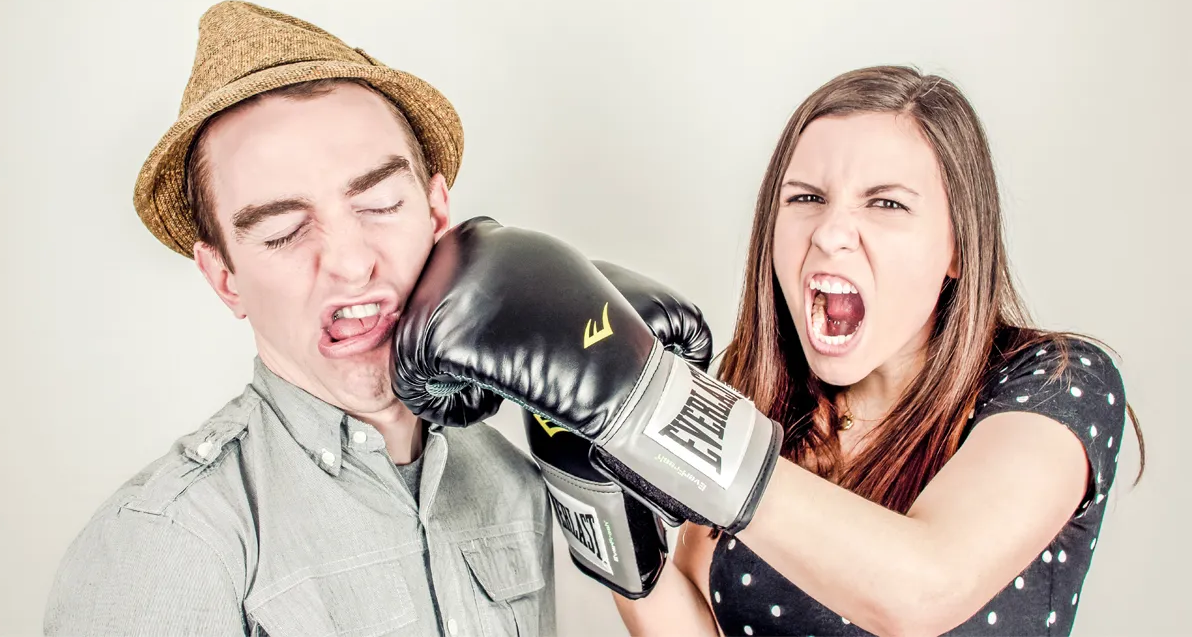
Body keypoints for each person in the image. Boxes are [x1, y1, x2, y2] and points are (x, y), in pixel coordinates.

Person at [387, 66, 1145, 637]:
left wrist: (648, 407)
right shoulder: (755, 403)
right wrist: (594, 479)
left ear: (957, 247)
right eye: (805, 197)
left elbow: (923, 586)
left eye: (886, 203)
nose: (831, 231)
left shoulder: (1053, 383)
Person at [43, 0, 555, 637]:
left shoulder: (514, 480)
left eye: (379, 203)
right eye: (284, 232)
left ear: (436, 211)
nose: (348, 262)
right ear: (225, 278)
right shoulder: (167, 545)